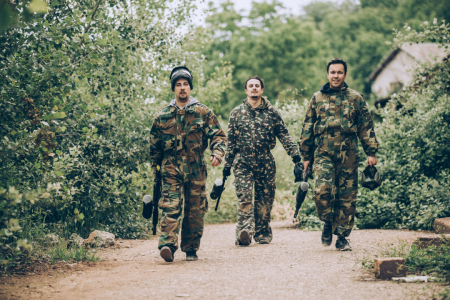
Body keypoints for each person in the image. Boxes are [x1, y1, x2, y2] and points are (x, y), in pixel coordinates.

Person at [299, 58, 379, 251]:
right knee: (322, 192)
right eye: (333, 72)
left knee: (347, 197)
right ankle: (327, 222)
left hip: (349, 154)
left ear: (345, 74)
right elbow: (308, 127)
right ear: (328, 74)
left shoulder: (356, 98)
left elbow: (365, 126)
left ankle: (342, 236)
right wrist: (306, 156)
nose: (336, 76)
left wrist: (371, 151)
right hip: (323, 153)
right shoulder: (317, 98)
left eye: (340, 72)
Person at [149, 66, 226, 262]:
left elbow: (218, 136)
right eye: (178, 85)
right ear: (173, 89)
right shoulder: (162, 116)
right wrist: (156, 169)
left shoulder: (203, 112)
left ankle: (191, 248)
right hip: (170, 168)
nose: (182, 88)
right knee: (169, 205)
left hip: (196, 168)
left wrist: (217, 153)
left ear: (190, 88)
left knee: (195, 209)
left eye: (185, 84)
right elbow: (154, 146)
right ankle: (167, 245)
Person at [223, 76, 301, 246]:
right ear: (246, 90)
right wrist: (226, 165)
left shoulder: (272, 112)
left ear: (262, 90)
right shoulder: (236, 113)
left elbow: (284, 135)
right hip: (242, 161)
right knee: (244, 196)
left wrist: (296, 156)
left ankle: (262, 232)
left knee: (264, 200)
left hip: (265, 161)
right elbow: (231, 142)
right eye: (250, 86)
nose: (254, 88)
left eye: (257, 86)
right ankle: (244, 231)